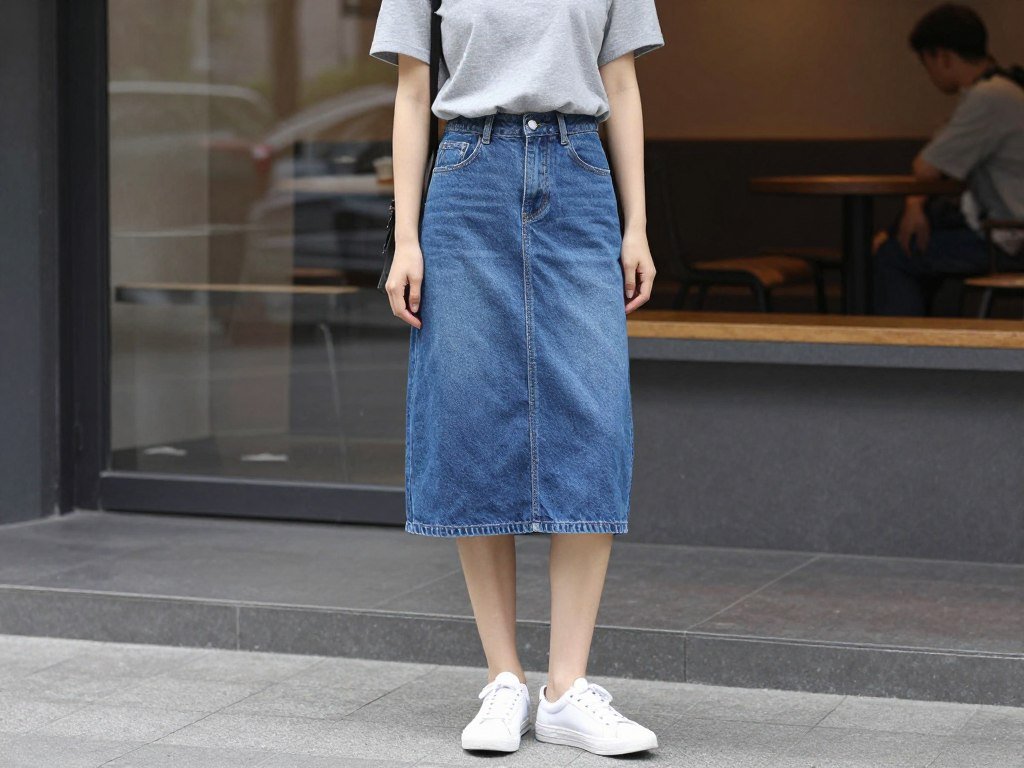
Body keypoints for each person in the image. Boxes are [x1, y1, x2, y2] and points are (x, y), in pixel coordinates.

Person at [369, 0, 664, 757]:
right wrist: (406, 235)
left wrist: (637, 225)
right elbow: (411, 90)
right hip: (467, 178)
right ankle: (505, 679)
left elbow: (622, 84)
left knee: (595, 421)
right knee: (472, 416)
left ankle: (566, 689)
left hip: (580, 174)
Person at [872, 2, 1024, 316]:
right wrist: (914, 206)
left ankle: (902, 356)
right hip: (1005, 227)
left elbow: (926, 167)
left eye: (925, 62)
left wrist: (914, 205)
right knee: (907, 239)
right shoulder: (1002, 90)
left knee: (894, 255)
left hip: (1011, 239)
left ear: (942, 57)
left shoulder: (989, 98)